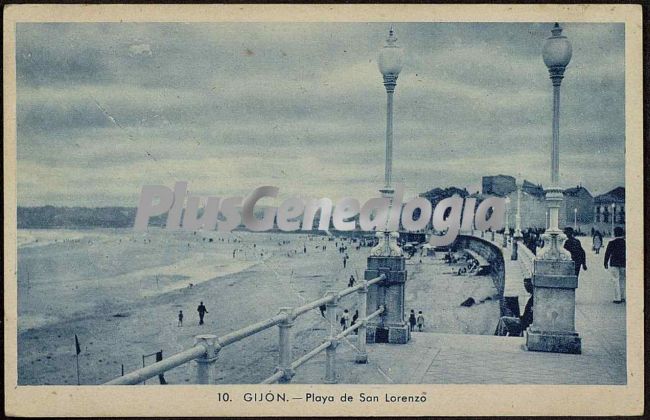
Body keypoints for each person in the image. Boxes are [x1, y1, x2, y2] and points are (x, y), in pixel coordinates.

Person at [604, 227, 626, 303]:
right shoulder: (625, 243)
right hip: (624, 263)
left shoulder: (612, 243)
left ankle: (617, 298)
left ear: (615, 233)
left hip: (614, 263)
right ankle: (623, 297)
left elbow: (607, 253)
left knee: (615, 280)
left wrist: (605, 262)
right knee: (622, 280)